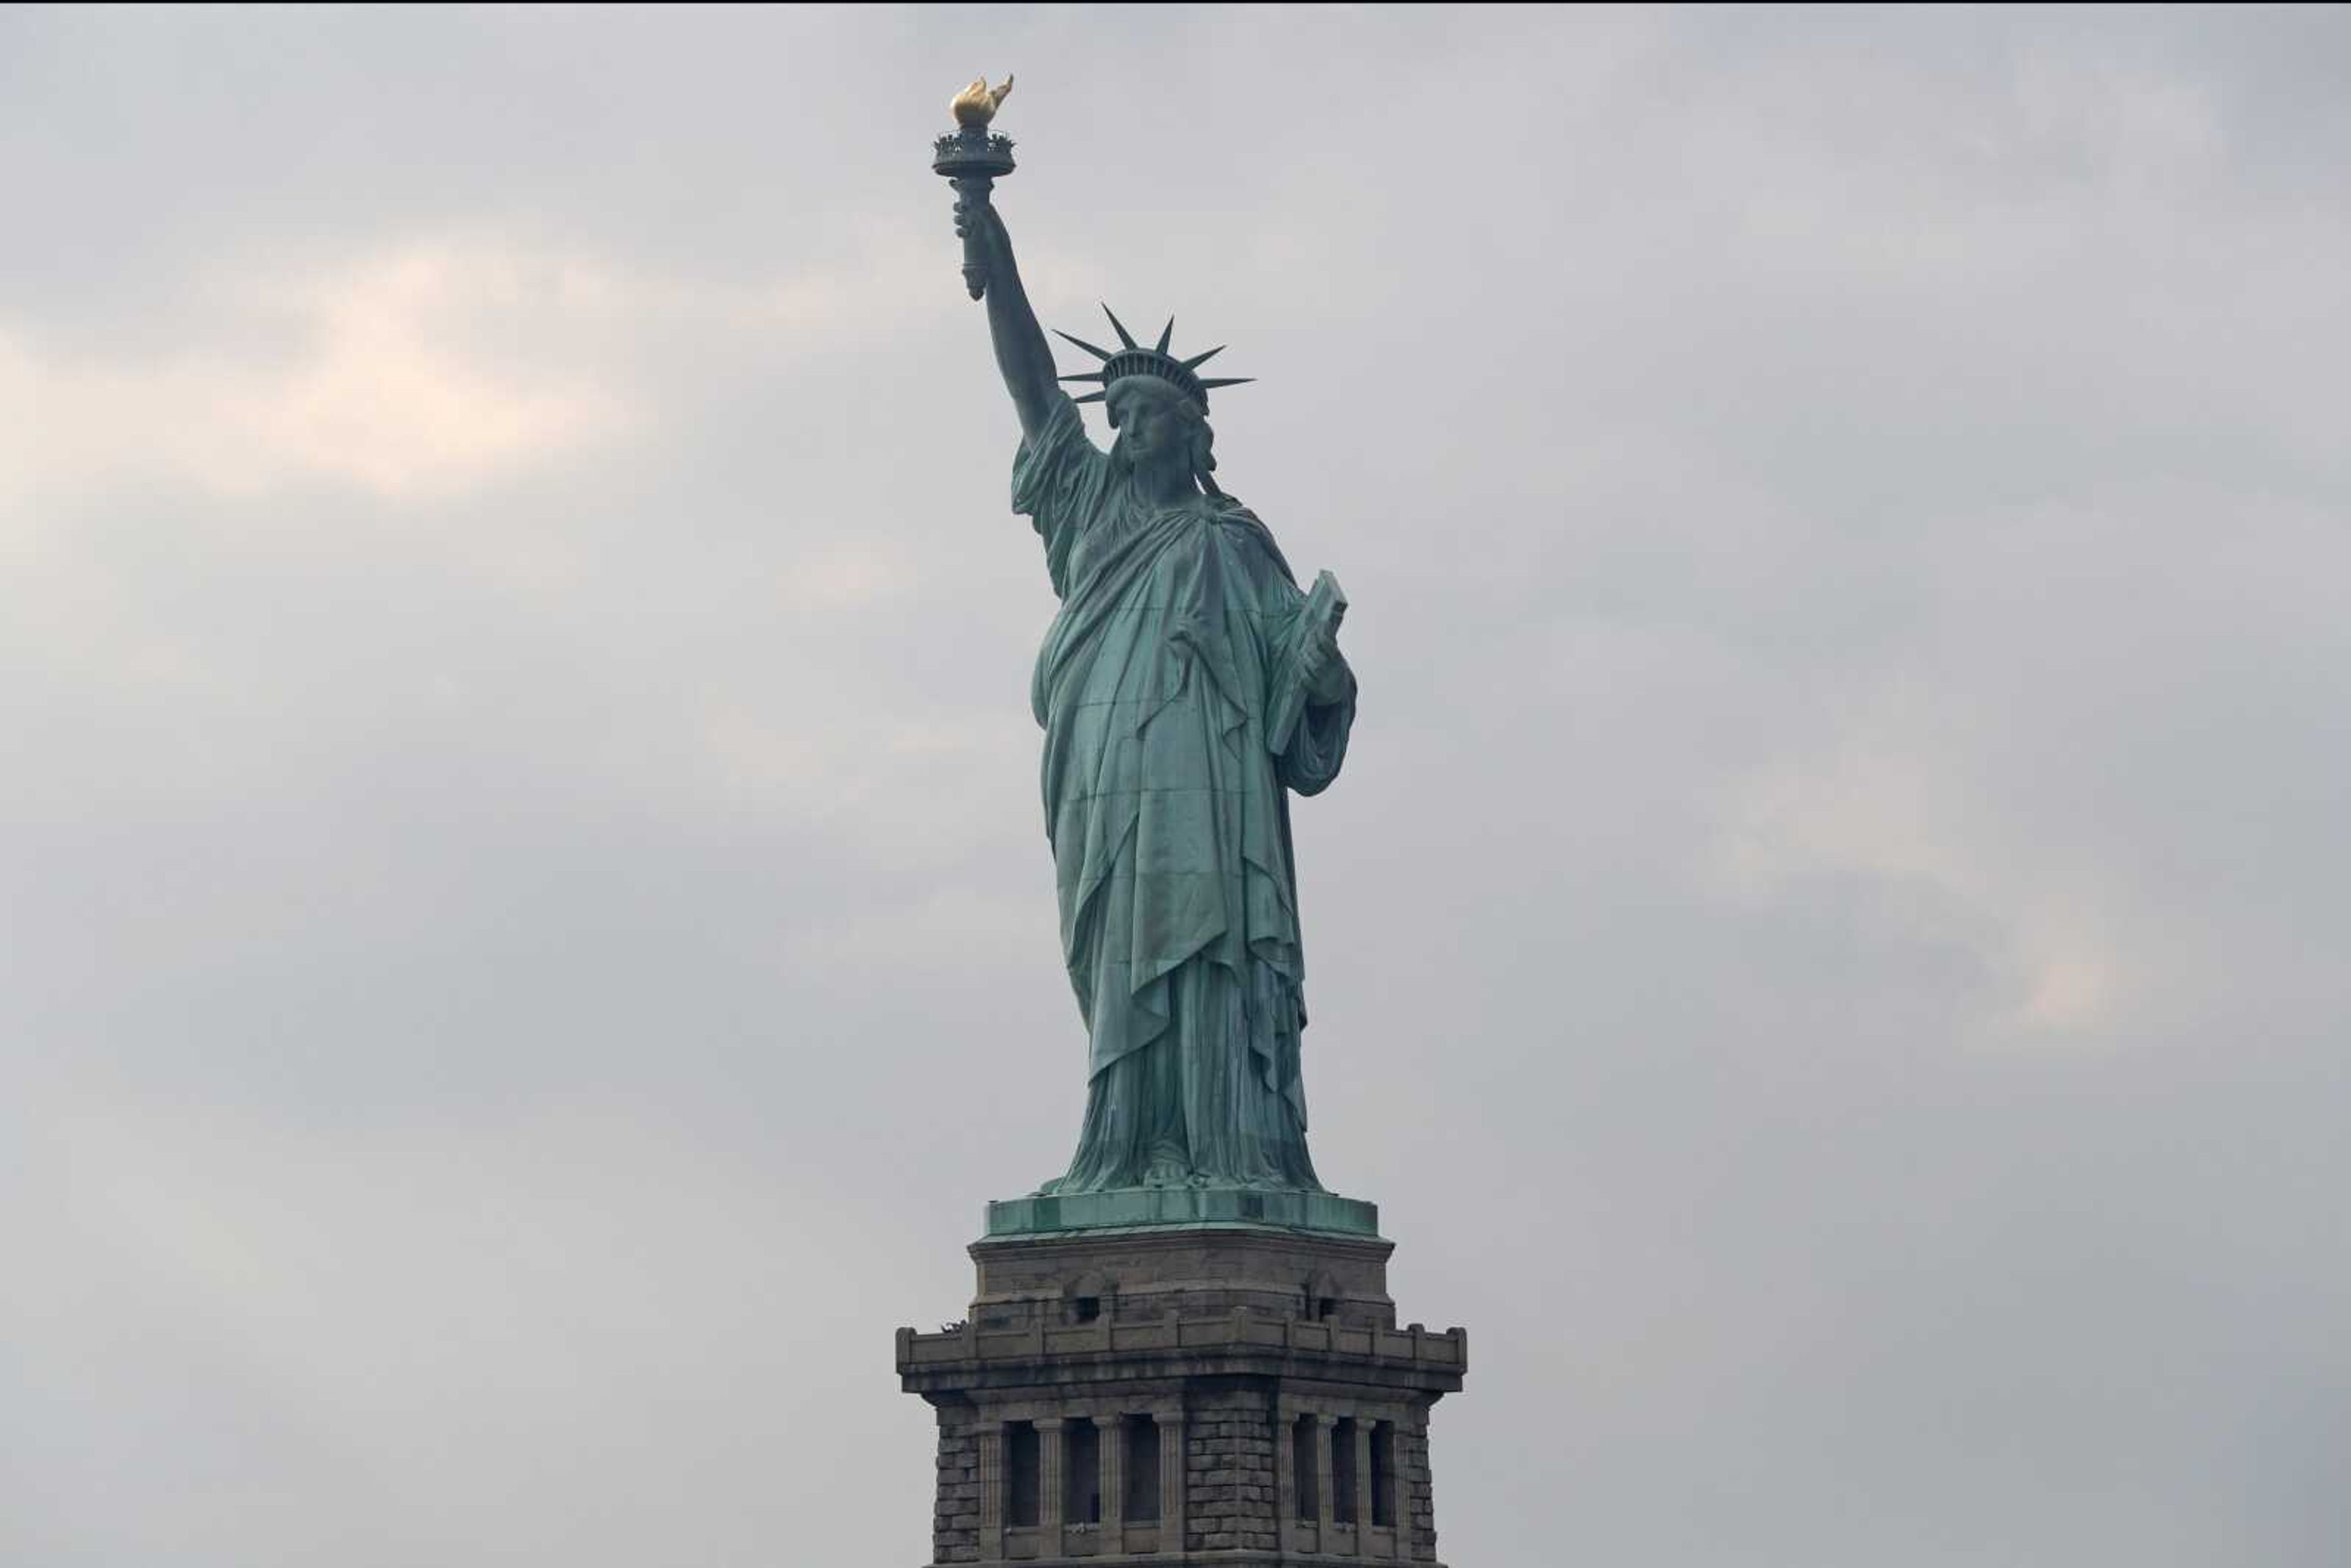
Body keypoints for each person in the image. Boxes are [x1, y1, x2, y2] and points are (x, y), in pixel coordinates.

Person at [952, 192, 1357, 1194]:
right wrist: (987, 237)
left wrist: (1322, 671)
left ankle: (1223, 1144)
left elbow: (1292, 696)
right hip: (1104, 776)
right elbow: (1032, 384)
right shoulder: (1086, 503)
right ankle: (1126, 1147)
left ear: (1191, 436)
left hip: (1212, 794)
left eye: (1145, 415)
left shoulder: (1236, 541)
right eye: (1117, 414)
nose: (1124, 428)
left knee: (1210, 948)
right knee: (1120, 951)